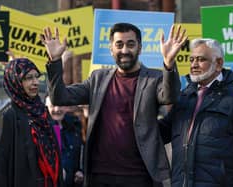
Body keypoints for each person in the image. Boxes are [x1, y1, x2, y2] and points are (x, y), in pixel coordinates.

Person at [41, 22, 187, 187]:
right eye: (119, 44)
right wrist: (54, 61)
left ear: (140, 48)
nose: (124, 50)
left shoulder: (154, 78)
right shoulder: (98, 78)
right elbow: (60, 97)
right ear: (111, 49)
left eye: (130, 44)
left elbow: (170, 96)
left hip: (140, 176)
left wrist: (168, 63)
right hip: (99, 176)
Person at [159, 38, 233, 187]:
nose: (194, 64)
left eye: (201, 59)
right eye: (192, 60)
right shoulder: (184, 96)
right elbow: (160, 133)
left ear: (219, 64)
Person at [0, 58, 63, 187]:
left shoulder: (42, 112)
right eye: (28, 78)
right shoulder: (6, 117)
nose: (35, 82)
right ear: (15, 82)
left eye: (36, 77)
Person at [45, 95, 84, 187]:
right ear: (46, 107)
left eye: (61, 105)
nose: (57, 109)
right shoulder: (45, 128)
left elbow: (79, 154)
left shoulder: (74, 125)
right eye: (53, 105)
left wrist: (80, 171)